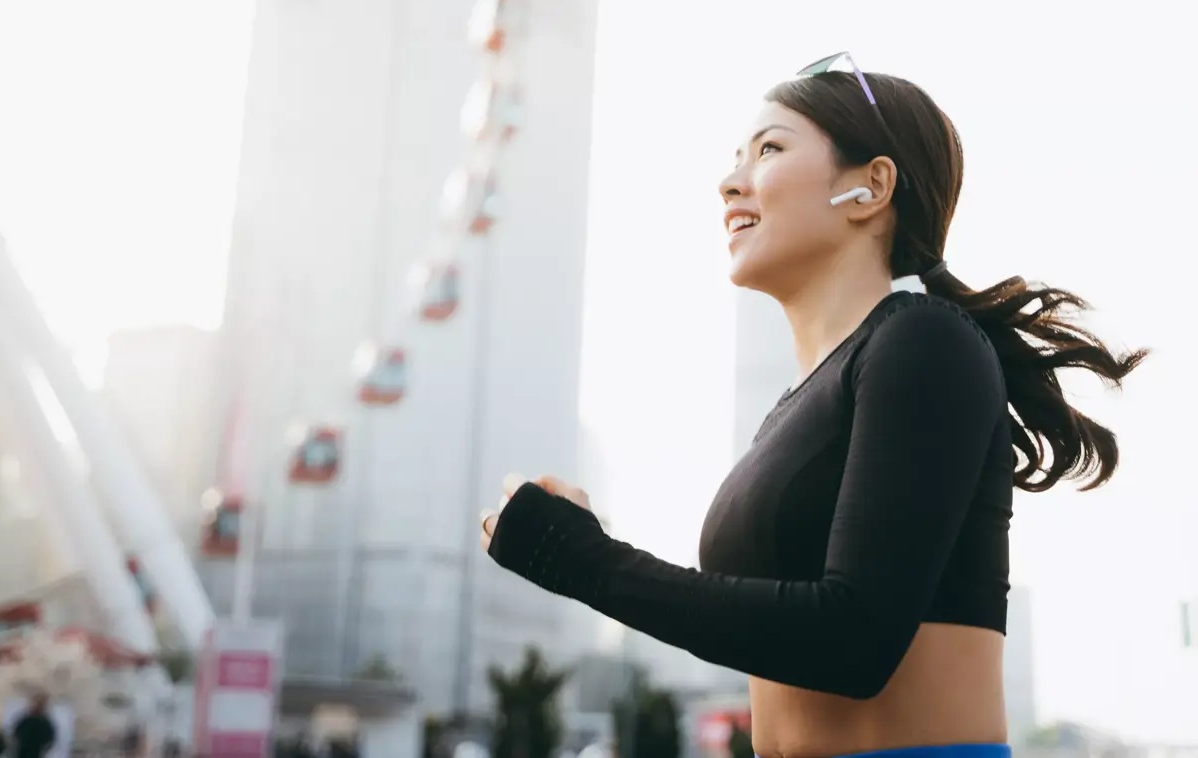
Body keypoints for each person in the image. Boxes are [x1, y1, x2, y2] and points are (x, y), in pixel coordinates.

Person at [477, 52, 1146, 758]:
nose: (730, 181)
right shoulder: (792, 408)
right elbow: (754, 620)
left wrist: (584, 560)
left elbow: (852, 638)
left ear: (869, 187)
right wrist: (586, 542)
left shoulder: (923, 340)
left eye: (769, 148)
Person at [10, 694, 55, 758]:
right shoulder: (26, 720)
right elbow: (15, 735)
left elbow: (49, 742)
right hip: (23, 753)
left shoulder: (44, 723)